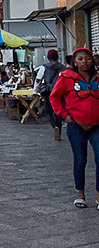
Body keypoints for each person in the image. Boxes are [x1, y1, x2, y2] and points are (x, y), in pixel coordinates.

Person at [49, 48, 99, 209]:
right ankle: (81, 194)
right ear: (75, 62)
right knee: (80, 159)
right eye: (81, 59)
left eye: (88, 58)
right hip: (76, 125)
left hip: (96, 125)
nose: (85, 62)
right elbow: (54, 97)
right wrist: (65, 115)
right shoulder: (66, 77)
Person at [36, 50, 66, 141]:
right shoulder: (63, 67)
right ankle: (59, 128)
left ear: (48, 57)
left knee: (49, 111)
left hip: (48, 92)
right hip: (60, 92)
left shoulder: (44, 67)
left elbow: (38, 80)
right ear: (57, 57)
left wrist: (35, 90)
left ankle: (55, 127)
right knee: (58, 112)